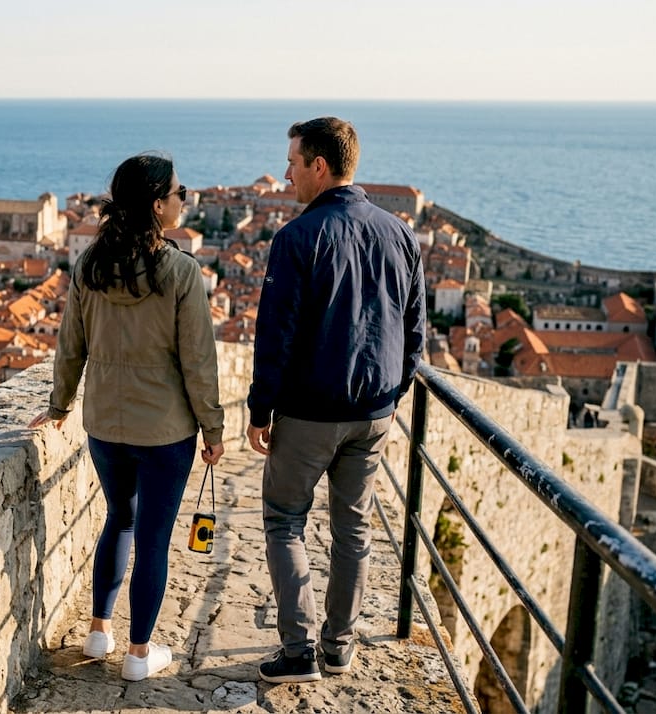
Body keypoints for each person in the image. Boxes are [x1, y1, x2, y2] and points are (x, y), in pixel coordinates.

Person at [30, 153, 225, 682]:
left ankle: (99, 631)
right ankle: (139, 656)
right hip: (166, 432)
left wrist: (58, 406)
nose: (186, 201)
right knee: (154, 540)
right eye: (180, 193)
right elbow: (199, 362)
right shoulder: (181, 272)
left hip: (105, 426)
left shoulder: (90, 265)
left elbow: (70, 346)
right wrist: (213, 429)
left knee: (118, 518)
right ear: (159, 204)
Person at [248, 118, 425, 683]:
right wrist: (392, 395)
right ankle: (339, 646)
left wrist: (259, 410)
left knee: (284, 520)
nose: (287, 172)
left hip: (309, 411)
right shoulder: (400, 234)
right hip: (373, 413)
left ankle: (298, 652)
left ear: (319, 167)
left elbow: (275, 334)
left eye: (294, 162)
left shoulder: (297, 238)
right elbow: (415, 332)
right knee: (353, 529)